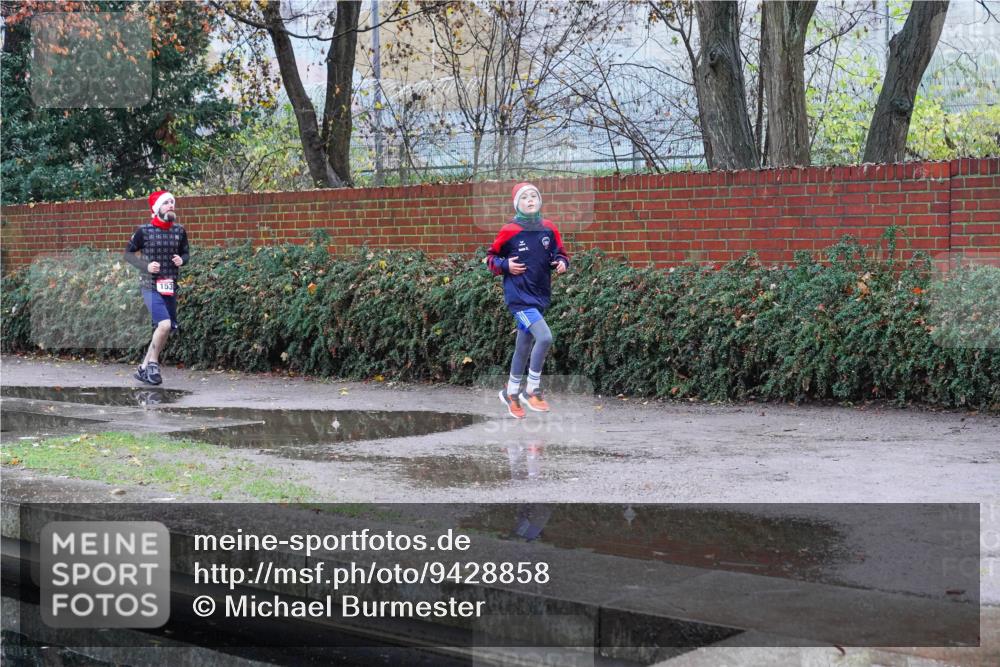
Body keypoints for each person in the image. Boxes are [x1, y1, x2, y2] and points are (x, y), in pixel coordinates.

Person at [486, 183, 569, 418]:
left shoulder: (549, 228)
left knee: (523, 346)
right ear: (517, 204)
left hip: (540, 295)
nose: (531, 200)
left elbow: (561, 253)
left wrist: (562, 263)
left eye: (534, 196)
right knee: (545, 337)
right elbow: (490, 258)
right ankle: (531, 390)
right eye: (525, 197)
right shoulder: (510, 230)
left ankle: (511, 393)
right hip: (520, 298)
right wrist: (505, 266)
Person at [123, 190, 189, 386]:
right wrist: (146, 266)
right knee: (164, 325)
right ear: (156, 208)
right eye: (166, 202)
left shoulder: (179, 231)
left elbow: (186, 254)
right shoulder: (144, 231)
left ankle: (143, 369)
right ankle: (153, 363)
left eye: (172, 202)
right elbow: (128, 254)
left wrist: (181, 260)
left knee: (164, 329)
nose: (171, 205)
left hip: (170, 286)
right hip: (149, 285)